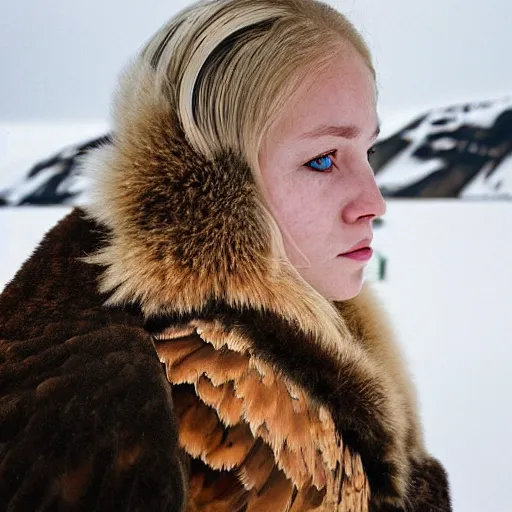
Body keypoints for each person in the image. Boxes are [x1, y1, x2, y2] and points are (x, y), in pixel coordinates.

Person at [0, 0, 452, 510]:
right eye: (323, 159)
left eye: (367, 152)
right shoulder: (136, 400)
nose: (374, 203)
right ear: (215, 185)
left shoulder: (319, 327)